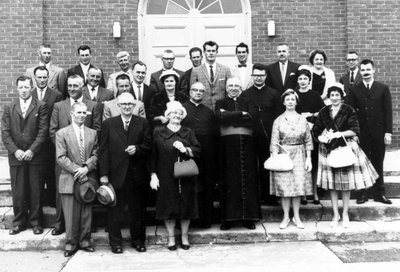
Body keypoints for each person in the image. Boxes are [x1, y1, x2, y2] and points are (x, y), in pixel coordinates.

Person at [313, 85, 378, 228]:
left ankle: (345, 213)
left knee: (345, 184)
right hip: (328, 149)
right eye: (332, 95)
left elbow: (354, 130)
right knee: (333, 185)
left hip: (344, 148)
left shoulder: (348, 110)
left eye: (337, 95)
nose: (334, 98)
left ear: (341, 96)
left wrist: (338, 134)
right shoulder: (323, 111)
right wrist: (321, 137)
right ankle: (335, 214)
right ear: (329, 97)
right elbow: (316, 130)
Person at [99, 92, 152, 254]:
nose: (127, 107)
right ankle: (116, 243)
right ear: (118, 106)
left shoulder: (142, 123)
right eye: (124, 104)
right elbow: (103, 150)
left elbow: (148, 146)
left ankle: (138, 241)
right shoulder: (109, 123)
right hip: (116, 175)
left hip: (136, 174)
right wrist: (104, 174)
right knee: (115, 211)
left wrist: (137, 149)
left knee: (137, 210)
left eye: (130, 104)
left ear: (134, 106)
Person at [49, 75, 102, 236]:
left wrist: (86, 167)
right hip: (67, 166)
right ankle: (68, 238)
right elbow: (54, 135)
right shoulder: (60, 112)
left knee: (86, 205)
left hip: (87, 167)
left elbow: (96, 145)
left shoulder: (92, 111)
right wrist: (73, 163)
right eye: (69, 85)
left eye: (75, 85)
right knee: (68, 205)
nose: (72, 88)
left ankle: (85, 237)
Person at [150, 101, 201, 251]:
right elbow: (152, 155)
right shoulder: (159, 132)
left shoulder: (188, 131)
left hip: (185, 173)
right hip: (165, 174)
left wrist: (186, 149)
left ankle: (184, 237)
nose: (177, 115)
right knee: (168, 206)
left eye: (179, 113)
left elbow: (198, 149)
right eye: (173, 113)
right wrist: (153, 175)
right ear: (168, 115)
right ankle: (171, 238)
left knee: (186, 205)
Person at [1, 75, 48, 235]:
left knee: (36, 190)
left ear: (31, 87)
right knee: (18, 190)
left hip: (35, 156)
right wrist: (17, 151)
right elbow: (5, 132)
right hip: (17, 156)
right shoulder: (9, 107)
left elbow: (43, 131)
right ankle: (19, 222)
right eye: (20, 87)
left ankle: (36, 222)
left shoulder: (40, 105)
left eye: (26, 87)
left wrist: (31, 150)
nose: (23, 90)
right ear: (17, 88)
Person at [215, 77, 261, 230]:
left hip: (247, 146)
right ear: (226, 88)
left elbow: (252, 118)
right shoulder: (220, 103)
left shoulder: (249, 100)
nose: (233, 88)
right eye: (230, 86)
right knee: (228, 180)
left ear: (240, 88)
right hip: (227, 147)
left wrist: (229, 116)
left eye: (236, 85)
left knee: (247, 179)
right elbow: (219, 117)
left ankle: (248, 218)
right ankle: (228, 219)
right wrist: (241, 113)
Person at [55, 102, 98, 257]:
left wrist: (86, 167)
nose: (81, 115)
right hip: (69, 177)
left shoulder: (92, 133)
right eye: (78, 112)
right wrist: (77, 170)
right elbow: (61, 157)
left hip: (87, 177)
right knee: (71, 214)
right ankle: (71, 244)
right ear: (72, 114)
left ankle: (85, 241)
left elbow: (96, 153)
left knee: (86, 213)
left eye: (83, 113)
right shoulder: (62, 133)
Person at [347, 59, 393, 205]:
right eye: (363, 70)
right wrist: (353, 133)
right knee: (363, 163)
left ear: (374, 70)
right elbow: (351, 113)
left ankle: (380, 193)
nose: (365, 72)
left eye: (368, 69)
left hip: (379, 132)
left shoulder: (382, 88)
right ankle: (363, 193)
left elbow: (388, 111)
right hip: (362, 134)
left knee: (378, 161)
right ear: (360, 72)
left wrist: (388, 132)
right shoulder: (355, 89)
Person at [269, 89, 313, 229]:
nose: (290, 102)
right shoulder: (278, 120)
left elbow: (308, 140)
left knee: (298, 187)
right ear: (283, 102)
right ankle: (286, 216)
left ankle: (297, 216)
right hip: (284, 155)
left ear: (296, 102)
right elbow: (274, 141)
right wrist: (274, 157)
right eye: (287, 99)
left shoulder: (303, 119)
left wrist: (309, 159)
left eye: (292, 99)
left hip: (300, 154)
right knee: (285, 188)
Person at [241, 63, 281, 206]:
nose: (258, 78)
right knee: (251, 166)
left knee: (268, 166)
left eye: (261, 75)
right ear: (252, 76)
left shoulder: (274, 93)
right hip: (250, 136)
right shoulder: (245, 94)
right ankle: (253, 197)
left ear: (265, 76)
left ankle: (269, 196)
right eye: (256, 75)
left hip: (268, 136)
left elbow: (278, 116)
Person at [182, 82, 218, 228]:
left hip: (205, 155)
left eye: (201, 91)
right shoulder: (182, 109)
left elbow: (214, 135)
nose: (198, 93)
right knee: (188, 187)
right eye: (195, 90)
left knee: (205, 187)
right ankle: (188, 221)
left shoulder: (209, 111)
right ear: (190, 92)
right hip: (187, 153)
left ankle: (204, 220)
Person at [32, 66, 63, 207]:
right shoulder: (30, 94)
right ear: (35, 78)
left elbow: (57, 118)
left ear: (48, 77)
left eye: (45, 77)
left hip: (50, 141)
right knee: (37, 174)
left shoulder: (56, 95)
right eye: (39, 77)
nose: (42, 80)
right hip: (34, 141)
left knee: (51, 172)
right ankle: (38, 202)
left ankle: (51, 202)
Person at [295, 68, 325, 205]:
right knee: (301, 164)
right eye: (300, 79)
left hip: (312, 132)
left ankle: (314, 192)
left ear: (309, 80)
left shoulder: (314, 95)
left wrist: (311, 116)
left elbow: (323, 112)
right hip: (298, 133)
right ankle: (303, 194)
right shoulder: (293, 95)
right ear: (297, 80)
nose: (302, 81)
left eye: (305, 79)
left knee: (312, 163)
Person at [190, 41, 232, 110]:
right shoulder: (196, 71)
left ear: (217, 52)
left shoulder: (225, 69)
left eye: (213, 51)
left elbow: (229, 91)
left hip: (221, 110)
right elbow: (193, 93)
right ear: (204, 52)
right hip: (202, 109)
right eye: (208, 51)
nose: (211, 53)